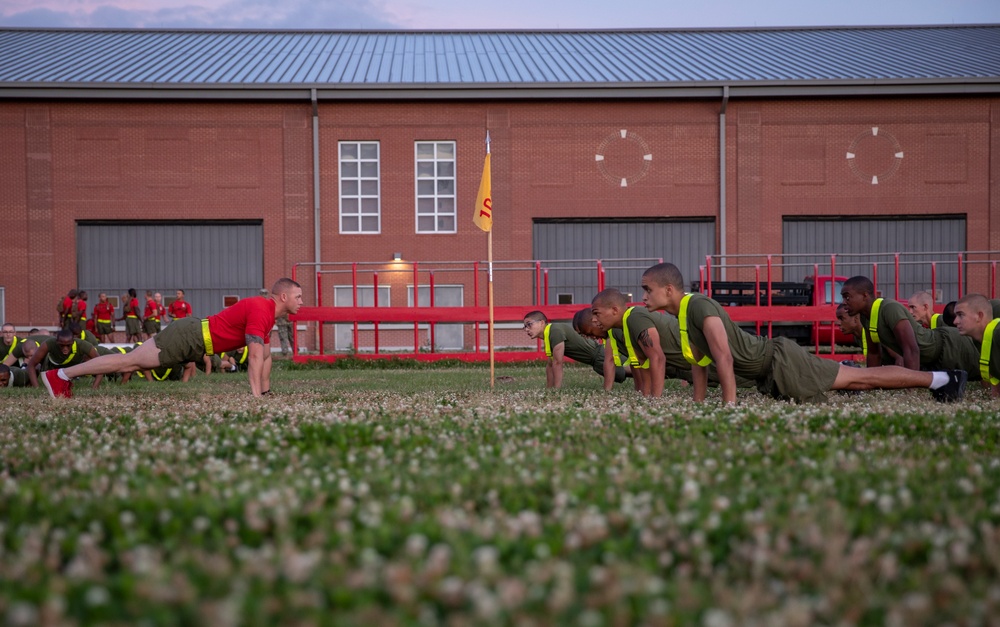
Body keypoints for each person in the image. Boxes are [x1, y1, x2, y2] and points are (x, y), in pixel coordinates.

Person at [636, 262, 967, 404]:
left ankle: (941, 379)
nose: (644, 296)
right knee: (856, 378)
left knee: (859, 378)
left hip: (781, 360)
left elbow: (722, 355)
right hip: (771, 373)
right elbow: (700, 364)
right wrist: (698, 404)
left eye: (647, 290)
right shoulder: (681, 315)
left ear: (668, 289)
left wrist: (730, 404)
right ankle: (941, 379)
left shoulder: (698, 306)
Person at [41, 278, 303, 399]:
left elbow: (266, 356)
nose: (301, 302)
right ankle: (60, 376)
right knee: (129, 363)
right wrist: (256, 397)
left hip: (196, 340)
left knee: (130, 362)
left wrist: (266, 392)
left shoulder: (268, 315)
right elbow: (255, 356)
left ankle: (62, 377)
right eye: (298, 297)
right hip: (191, 337)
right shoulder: (261, 308)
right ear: (283, 297)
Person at [590, 289, 754, 396]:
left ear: (614, 310)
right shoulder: (626, 325)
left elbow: (657, 359)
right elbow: (642, 364)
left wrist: (655, 400)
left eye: (597, 314)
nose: (594, 320)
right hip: (691, 367)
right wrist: (644, 396)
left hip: (711, 363)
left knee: (755, 377)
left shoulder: (635, 317)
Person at [842, 276, 980, 377]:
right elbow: (874, 354)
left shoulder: (889, 308)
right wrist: (870, 383)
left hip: (949, 345)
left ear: (865, 295)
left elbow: (911, 349)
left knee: (986, 369)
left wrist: (910, 388)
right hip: (932, 359)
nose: (844, 302)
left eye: (847, 297)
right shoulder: (867, 318)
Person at [523, 310, 624, 389]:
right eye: (525, 327)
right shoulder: (548, 334)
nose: (527, 329)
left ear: (541, 323)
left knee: (630, 368)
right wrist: (550, 389)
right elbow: (550, 364)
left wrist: (556, 390)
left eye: (529, 324)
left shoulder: (555, 331)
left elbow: (558, 362)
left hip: (600, 355)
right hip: (595, 361)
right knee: (625, 371)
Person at [953, 293, 1000, 398]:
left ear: (979, 316)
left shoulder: (998, 334)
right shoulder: (980, 339)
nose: (955, 321)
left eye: (961, 315)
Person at [26, 330, 101, 389]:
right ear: (57, 342)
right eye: (61, 345)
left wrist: (95, 387)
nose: (65, 349)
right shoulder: (49, 344)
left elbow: (101, 364)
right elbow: (31, 365)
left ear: (73, 342)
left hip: (74, 366)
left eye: (68, 345)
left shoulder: (83, 345)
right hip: (52, 366)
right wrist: (37, 388)